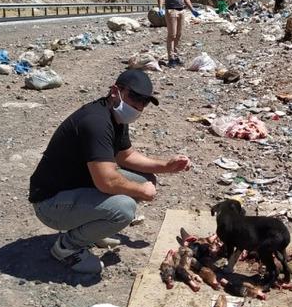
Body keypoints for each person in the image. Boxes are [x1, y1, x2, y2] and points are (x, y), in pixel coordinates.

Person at [28, 69, 191, 274]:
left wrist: (166, 166)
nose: (139, 106)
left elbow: (126, 156)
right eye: (135, 97)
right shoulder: (96, 122)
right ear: (115, 91)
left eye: (144, 101)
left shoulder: (115, 116)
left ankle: (91, 229)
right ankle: (67, 247)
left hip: (76, 187)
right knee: (124, 209)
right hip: (50, 204)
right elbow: (106, 182)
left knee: (145, 178)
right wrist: (141, 190)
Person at [157, 0, 199, 67]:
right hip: (171, 10)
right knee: (172, 35)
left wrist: (192, 9)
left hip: (181, 10)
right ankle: (171, 58)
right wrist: (160, 7)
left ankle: (175, 56)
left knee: (179, 35)